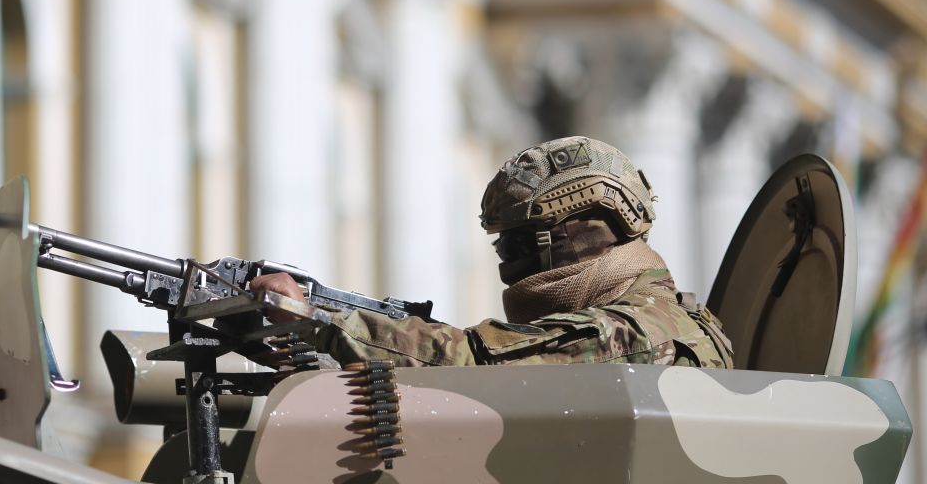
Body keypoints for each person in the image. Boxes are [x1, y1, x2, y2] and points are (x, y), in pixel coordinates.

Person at [249, 136, 734, 368]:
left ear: (573, 237)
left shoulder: (626, 333)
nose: (509, 262)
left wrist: (316, 317)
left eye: (518, 244)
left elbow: (472, 363)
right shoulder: (683, 317)